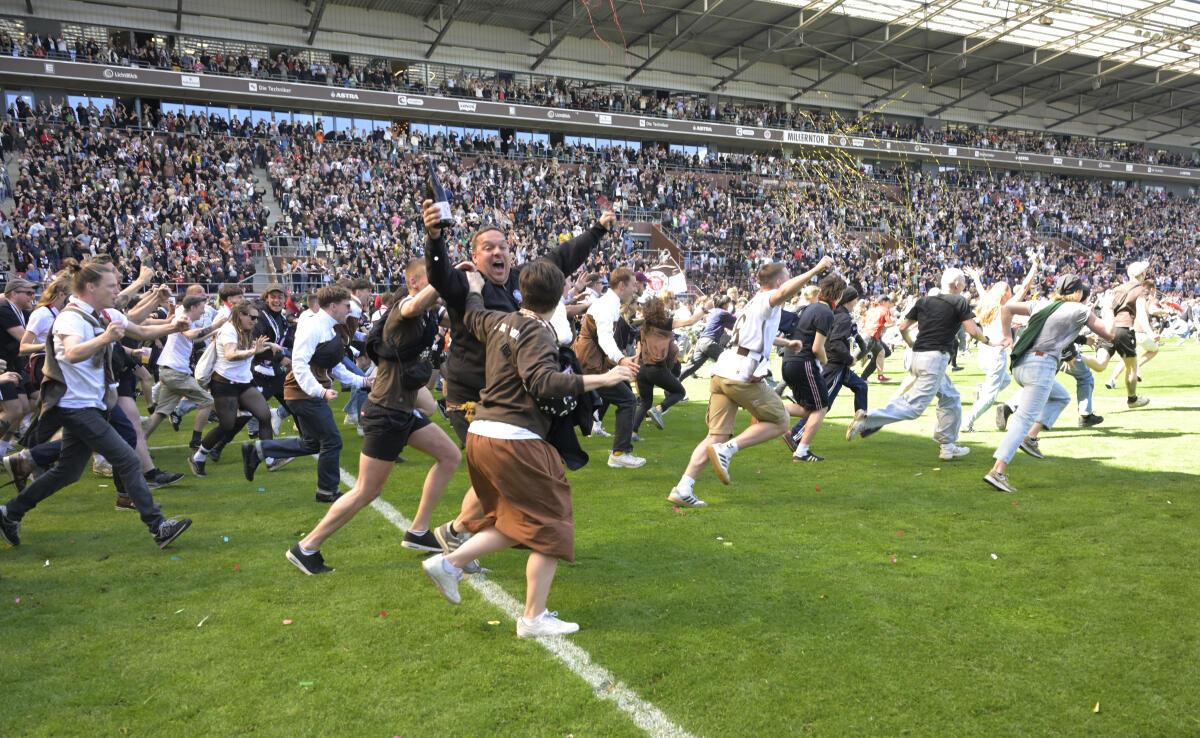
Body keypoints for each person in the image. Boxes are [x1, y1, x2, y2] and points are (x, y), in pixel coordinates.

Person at [421, 261, 635, 637]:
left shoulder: (501, 320)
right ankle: (532, 618)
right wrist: (606, 377)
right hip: (513, 437)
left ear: (523, 291)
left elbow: (472, 313)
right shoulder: (536, 332)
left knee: (521, 521)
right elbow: (543, 382)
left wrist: (473, 283)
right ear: (556, 300)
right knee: (552, 525)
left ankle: (451, 564)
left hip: (483, 434)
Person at [423, 199, 614, 561]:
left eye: (503, 247)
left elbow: (560, 259)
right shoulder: (466, 285)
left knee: (498, 476)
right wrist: (434, 237)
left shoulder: (519, 282)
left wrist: (597, 231)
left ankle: (455, 533)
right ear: (474, 256)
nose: (498, 253)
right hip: (473, 398)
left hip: (513, 399)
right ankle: (461, 538)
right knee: (503, 476)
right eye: (488, 247)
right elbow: (439, 275)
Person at [284, 259, 462, 574]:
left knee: (449, 455)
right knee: (367, 490)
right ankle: (307, 546)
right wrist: (445, 278)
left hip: (403, 410)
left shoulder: (430, 315)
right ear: (415, 283)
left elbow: (461, 314)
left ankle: (418, 531)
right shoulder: (404, 309)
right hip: (387, 412)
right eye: (433, 279)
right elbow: (415, 306)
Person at [0, 260, 193, 549]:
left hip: (93, 404)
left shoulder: (106, 312)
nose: (117, 289)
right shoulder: (70, 319)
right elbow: (73, 352)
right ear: (90, 287)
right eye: (111, 285)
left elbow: (140, 332)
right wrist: (105, 337)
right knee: (128, 458)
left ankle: (9, 512)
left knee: (67, 471)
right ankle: (157, 525)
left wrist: (172, 326)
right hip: (75, 406)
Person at [667, 257, 833, 509]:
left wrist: (786, 343)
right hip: (741, 372)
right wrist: (817, 269)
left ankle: (684, 487)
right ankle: (729, 450)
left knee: (715, 435)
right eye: (786, 278)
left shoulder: (753, 303)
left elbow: (750, 335)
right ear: (778, 282)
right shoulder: (769, 299)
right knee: (780, 421)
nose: (789, 282)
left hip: (723, 370)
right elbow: (785, 292)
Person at [983, 275, 1116, 493]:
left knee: (1061, 397)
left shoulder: (1042, 304)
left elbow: (1006, 308)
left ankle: (1030, 438)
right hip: (1042, 365)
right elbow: (1109, 334)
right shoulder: (1080, 309)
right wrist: (1109, 308)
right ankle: (998, 471)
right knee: (1023, 420)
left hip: (1021, 364)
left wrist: (1007, 336)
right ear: (1079, 293)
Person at [846, 268, 993, 461]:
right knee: (914, 408)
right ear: (957, 285)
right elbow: (972, 330)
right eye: (964, 282)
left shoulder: (923, 301)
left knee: (951, 398)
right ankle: (867, 420)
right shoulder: (959, 301)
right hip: (935, 359)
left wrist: (910, 343)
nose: (965, 286)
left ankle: (947, 446)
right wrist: (988, 341)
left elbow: (902, 326)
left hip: (918, 356)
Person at [250, 285, 371, 503]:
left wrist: (363, 380)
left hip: (308, 392)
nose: (349, 312)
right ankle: (327, 491)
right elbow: (299, 364)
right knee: (332, 441)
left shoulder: (329, 328)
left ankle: (260, 449)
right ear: (333, 306)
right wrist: (320, 391)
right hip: (302, 393)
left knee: (312, 443)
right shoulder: (314, 327)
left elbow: (335, 367)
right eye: (346, 307)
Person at [188, 302, 279, 476]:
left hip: (245, 382)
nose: (254, 321)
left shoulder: (243, 329)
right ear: (240, 315)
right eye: (251, 317)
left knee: (264, 415)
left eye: (257, 318)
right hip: (224, 384)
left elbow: (247, 344)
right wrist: (254, 351)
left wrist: (269, 346)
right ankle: (198, 457)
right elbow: (230, 354)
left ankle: (270, 459)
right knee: (227, 426)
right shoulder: (228, 330)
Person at [784, 282, 868, 457]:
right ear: (850, 300)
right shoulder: (839, 316)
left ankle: (863, 424)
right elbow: (835, 342)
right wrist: (849, 358)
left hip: (833, 363)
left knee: (861, 386)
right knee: (821, 405)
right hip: (834, 365)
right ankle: (796, 435)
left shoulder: (835, 314)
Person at [574, 268, 644, 467]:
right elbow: (605, 339)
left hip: (592, 363)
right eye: (632, 284)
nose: (635, 289)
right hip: (591, 365)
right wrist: (621, 360)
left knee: (623, 396)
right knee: (628, 400)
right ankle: (619, 453)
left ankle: (612, 444)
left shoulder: (609, 303)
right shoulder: (607, 305)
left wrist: (619, 360)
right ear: (621, 285)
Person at [960, 259, 1039, 433]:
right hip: (997, 353)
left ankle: (981, 390)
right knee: (991, 396)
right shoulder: (1006, 306)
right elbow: (1025, 286)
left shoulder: (988, 304)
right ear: (1004, 293)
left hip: (984, 352)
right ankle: (967, 422)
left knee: (1006, 380)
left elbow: (982, 291)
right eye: (1010, 290)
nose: (1012, 293)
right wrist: (1035, 266)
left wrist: (976, 277)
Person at [780, 274, 846, 462]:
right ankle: (802, 451)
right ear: (838, 295)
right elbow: (817, 348)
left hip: (789, 360)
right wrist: (825, 361)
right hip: (804, 362)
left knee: (808, 407)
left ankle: (772, 407)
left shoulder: (810, 308)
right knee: (821, 407)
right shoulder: (826, 313)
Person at [142, 295, 226, 444]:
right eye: (201, 308)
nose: (203, 312)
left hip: (170, 371)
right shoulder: (183, 319)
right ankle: (196, 441)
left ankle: (138, 442)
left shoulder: (187, 320)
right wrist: (215, 325)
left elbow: (193, 338)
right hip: (176, 373)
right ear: (193, 307)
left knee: (161, 412)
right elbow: (190, 334)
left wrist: (214, 332)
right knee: (207, 401)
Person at [1087, 261, 1152, 409]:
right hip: (1124, 330)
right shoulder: (1140, 290)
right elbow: (1141, 314)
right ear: (1142, 274)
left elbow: (1105, 309)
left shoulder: (1116, 289)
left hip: (1107, 328)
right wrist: (1150, 332)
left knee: (1100, 363)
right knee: (1132, 367)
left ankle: (1076, 356)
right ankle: (1132, 399)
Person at [632, 296, 699, 433]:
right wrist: (704, 309)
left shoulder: (644, 327)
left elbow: (638, 351)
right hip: (657, 368)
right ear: (660, 310)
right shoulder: (666, 323)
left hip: (643, 369)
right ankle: (659, 409)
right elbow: (690, 321)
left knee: (645, 403)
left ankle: (632, 433)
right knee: (680, 392)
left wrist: (635, 369)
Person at [0, 278, 35, 457]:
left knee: (23, 408)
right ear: (14, 294)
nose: (32, 296)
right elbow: (25, 339)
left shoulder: (22, 312)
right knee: (13, 410)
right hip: (3, 366)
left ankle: (3, 448)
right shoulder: (5, 309)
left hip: (13, 366)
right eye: (28, 293)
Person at [678, 295, 734, 381]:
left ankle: (673, 383)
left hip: (701, 342)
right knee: (729, 361)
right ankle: (728, 386)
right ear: (725, 304)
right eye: (728, 304)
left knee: (689, 368)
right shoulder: (724, 313)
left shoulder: (714, 312)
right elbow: (738, 323)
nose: (729, 306)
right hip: (709, 342)